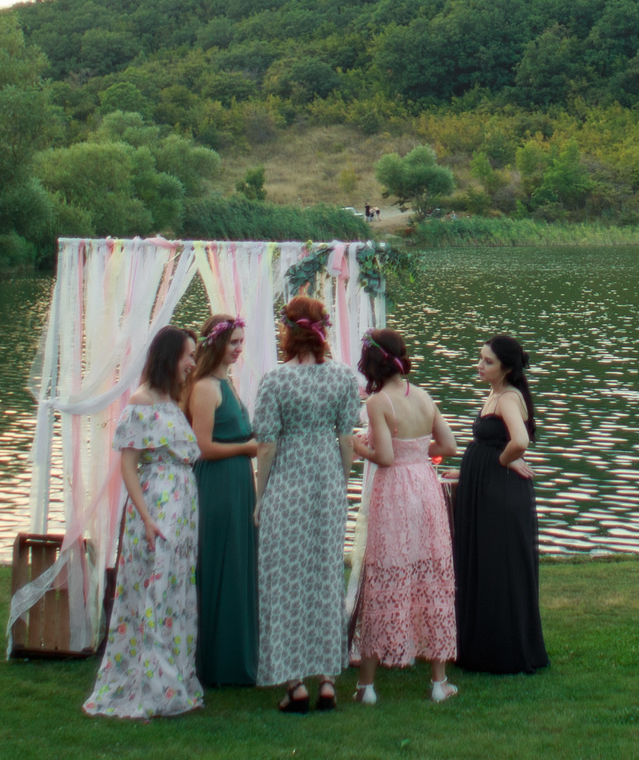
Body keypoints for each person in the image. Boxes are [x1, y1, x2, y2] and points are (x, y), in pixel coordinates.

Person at [84, 325, 205, 721]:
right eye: (188, 356)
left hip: (180, 509)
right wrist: (147, 518)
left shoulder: (171, 401)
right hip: (156, 509)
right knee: (153, 594)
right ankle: (149, 684)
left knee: (174, 594)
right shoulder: (141, 402)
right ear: (170, 357)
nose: (192, 364)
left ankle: (173, 680)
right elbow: (129, 466)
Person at [253, 294, 363, 713]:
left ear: (288, 331)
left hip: (288, 483)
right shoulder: (342, 378)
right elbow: (346, 438)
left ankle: (295, 683)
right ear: (322, 331)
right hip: (327, 483)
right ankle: (328, 680)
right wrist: (342, 480)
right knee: (324, 578)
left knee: (284, 581)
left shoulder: (275, 381)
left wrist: (261, 497)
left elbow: (266, 446)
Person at [348, 328, 462, 703]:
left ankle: (367, 686)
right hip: (426, 488)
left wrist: (356, 446)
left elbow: (384, 457)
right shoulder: (424, 396)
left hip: (394, 490)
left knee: (383, 573)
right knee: (430, 573)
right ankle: (438, 682)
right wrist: (416, 448)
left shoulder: (378, 402)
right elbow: (448, 445)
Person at [453, 334, 548, 674]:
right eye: (480, 358)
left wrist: (505, 461)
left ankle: (503, 653)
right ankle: (483, 646)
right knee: (485, 565)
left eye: (488, 361)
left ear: (506, 368)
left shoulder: (508, 397)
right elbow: (490, 442)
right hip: (486, 488)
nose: (480, 365)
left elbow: (519, 441)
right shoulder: (496, 392)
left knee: (499, 567)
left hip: (500, 493)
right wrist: (468, 468)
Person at [183, 314, 264, 688]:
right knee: (220, 563)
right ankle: (217, 663)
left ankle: (240, 655)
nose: (239, 349)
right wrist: (248, 447)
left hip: (237, 483)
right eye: (233, 342)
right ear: (215, 343)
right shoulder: (203, 388)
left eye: (242, 342)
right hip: (216, 485)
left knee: (239, 564)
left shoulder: (224, 382)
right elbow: (201, 447)